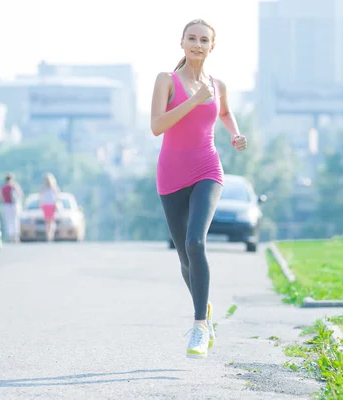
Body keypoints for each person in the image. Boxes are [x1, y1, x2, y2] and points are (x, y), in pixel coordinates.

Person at [150, 19, 248, 359]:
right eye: (191, 38)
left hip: (208, 168)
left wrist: (235, 133)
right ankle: (204, 312)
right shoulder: (166, 80)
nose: (197, 44)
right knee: (184, 257)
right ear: (181, 43)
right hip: (171, 174)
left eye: (203, 40)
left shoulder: (217, 84)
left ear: (212, 46)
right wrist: (193, 101)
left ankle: (199, 327)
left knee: (196, 241)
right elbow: (157, 126)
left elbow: (226, 112)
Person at [0, 173, 24, 243]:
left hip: (7, 205)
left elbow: (2, 197)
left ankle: (11, 236)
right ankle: (15, 236)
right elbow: (20, 194)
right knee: (15, 220)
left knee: (9, 221)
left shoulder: (3, 188)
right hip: (14, 205)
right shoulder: (14, 186)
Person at [39, 173, 60, 242]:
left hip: (49, 205)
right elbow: (41, 197)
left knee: (49, 221)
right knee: (49, 221)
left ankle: (49, 234)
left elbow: (57, 197)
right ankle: (49, 234)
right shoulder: (45, 188)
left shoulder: (53, 188)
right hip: (48, 205)